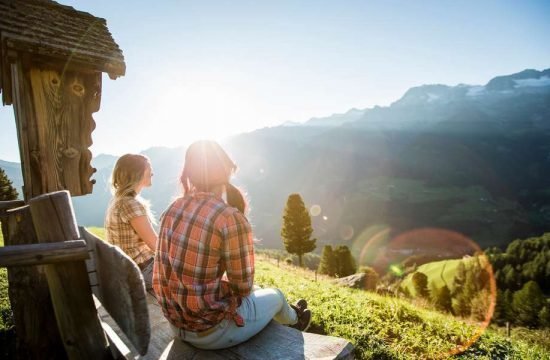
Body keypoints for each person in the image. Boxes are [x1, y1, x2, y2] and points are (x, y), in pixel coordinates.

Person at [153, 140, 311, 350]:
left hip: (176, 324)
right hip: (211, 332)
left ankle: (289, 314)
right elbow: (243, 287)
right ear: (226, 171)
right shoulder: (229, 218)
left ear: (189, 173)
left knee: (258, 292)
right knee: (276, 296)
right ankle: (297, 321)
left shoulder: (172, 209)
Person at [105, 154, 158, 290]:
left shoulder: (119, 201)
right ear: (137, 173)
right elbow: (155, 245)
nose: (152, 172)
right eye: (149, 168)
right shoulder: (130, 204)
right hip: (141, 271)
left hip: (126, 269)